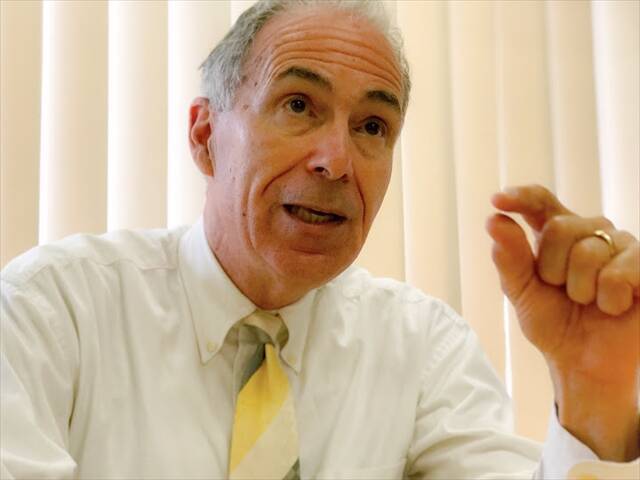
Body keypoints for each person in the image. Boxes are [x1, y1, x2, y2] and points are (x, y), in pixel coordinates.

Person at [1, 0, 638, 478]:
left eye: (372, 126)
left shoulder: (423, 348)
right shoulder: (51, 311)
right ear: (204, 136)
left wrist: (593, 396)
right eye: (299, 105)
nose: (335, 161)